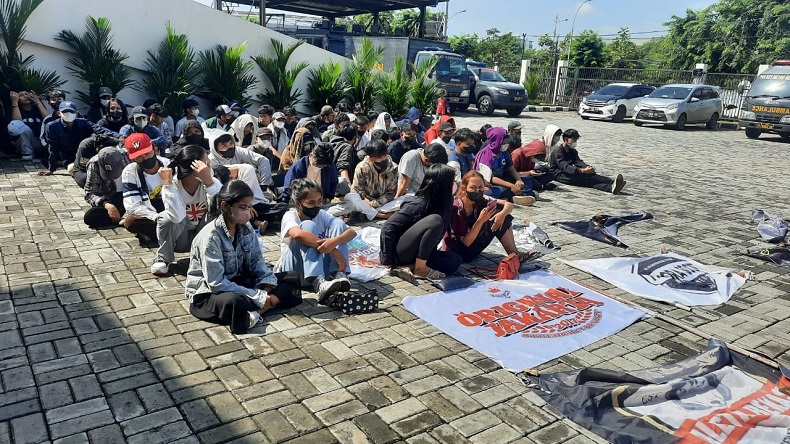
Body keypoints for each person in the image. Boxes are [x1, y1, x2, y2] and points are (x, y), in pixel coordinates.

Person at [185, 180, 301, 334]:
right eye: (243, 207)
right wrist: (257, 295)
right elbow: (216, 283)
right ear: (225, 206)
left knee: (291, 277)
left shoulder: (246, 228)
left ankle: (258, 311)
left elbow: (257, 262)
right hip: (210, 292)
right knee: (234, 302)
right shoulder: (210, 238)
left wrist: (267, 284)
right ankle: (263, 306)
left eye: (249, 207)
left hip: (239, 282)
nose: (248, 212)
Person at [277, 178, 355, 300]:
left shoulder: (321, 214)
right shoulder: (290, 216)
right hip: (295, 271)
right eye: (311, 203)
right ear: (298, 204)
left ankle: (338, 273)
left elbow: (351, 232)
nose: (317, 206)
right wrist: (334, 251)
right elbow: (298, 235)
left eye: (319, 201)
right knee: (308, 226)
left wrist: (334, 241)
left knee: (338, 223)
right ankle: (318, 282)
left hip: (321, 269)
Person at [380, 164, 462, 280]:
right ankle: (420, 269)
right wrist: (386, 262)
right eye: (452, 181)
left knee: (455, 260)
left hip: (421, 254)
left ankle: (408, 267)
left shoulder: (447, 202)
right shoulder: (418, 204)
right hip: (401, 252)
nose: (456, 184)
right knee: (435, 220)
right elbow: (388, 228)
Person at [151, 145, 222, 276]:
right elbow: (176, 217)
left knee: (217, 215)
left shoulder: (212, 182)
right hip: (181, 238)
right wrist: (167, 184)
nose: (209, 166)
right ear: (195, 168)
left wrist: (209, 183)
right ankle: (163, 258)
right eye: (206, 163)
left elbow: (221, 211)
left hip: (204, 236)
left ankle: (211, 255)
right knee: (165, 218)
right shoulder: (172, 185)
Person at [445, 171, 532, 263]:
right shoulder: (458, 208)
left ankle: (514, 254)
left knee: (501, 214)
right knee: (494, 216)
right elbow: (465, 242)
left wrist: (502, 215)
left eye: (480, 187)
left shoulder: (481, 199)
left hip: (473, 243)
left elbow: (508, 205)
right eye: (472, 188)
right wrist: (481, 220)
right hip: (460, 252)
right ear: (464, 188)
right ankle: (515, 255)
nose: (477, 191)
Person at [39, 101, 117, 176]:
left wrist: (118, 136)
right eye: (65, 112)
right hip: (70, 160)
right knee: (72, 170)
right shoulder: (52, 126)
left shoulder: (83, 123)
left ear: (76, 114)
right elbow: (53, 148)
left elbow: (99, 129)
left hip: (86, 157)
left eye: (72, 112)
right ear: (59, 113)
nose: (68, 114)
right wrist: (51, 169)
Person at [121, 133, 168, 244]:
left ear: (154, 148)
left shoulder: (169, 165)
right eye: (139, 157)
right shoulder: (129, 172)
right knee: (131, 222)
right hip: (151, 215)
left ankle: (158, 235)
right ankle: (165, 234)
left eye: (147, 154)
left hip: (171, 210)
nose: (145, 158)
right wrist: (157, 218)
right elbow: (133, 205)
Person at [550, 128, 625, 194]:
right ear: (566, 139)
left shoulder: (572, 151)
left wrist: (587, 167)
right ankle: (610, 188)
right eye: (574, 140)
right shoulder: (558, 152)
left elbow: (578, 161)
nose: (575, 142)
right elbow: (564, 166)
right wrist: (581, 170)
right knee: (586, 180)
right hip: (559, 174)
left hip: (570, 171)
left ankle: (612, 182)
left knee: (591, 175)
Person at [474, 127, 534, 204]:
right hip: (490, 183)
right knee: (496, 191)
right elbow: (490, 179)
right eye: (504, 143)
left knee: (527, 180)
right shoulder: (486, 155)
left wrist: (519, 180)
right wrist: (511, 186)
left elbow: (511, 168)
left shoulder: (503, 152)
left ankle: (519, 195)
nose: (506, 145)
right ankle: (515, 196)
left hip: (503, 178)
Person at [207, 130, 272, 191]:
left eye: (231, 143)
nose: (229, 147)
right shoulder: (210, 161)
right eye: (224, 145)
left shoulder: (238, 151)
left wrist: (264, 185)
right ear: (215, 148)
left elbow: (263, 160)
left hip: (246, 188)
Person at [83, 146, 130, 229]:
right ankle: (122, 218)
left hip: (130, 196)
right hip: (109, 197)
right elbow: (90, 193)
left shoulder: (128, 157)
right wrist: (107, 205)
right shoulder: (94, 163)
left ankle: (123, 218)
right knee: (90, 217)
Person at [512, 124, 561, 192]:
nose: (538, 159)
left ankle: (538, 185)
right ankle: (541, 186)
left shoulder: (531, 157)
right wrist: (528, 173)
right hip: (519, 177)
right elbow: (511, 173)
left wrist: (533, 172)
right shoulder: (517, 154)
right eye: (538, 157)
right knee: (528, 180)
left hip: (528, 175)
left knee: (550, 175)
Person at [331, 123, 361, 191]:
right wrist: (349, 189)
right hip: (340, 187)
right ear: (355, 136)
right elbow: (343, 167)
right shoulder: (347, 147)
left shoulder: (332, 143)